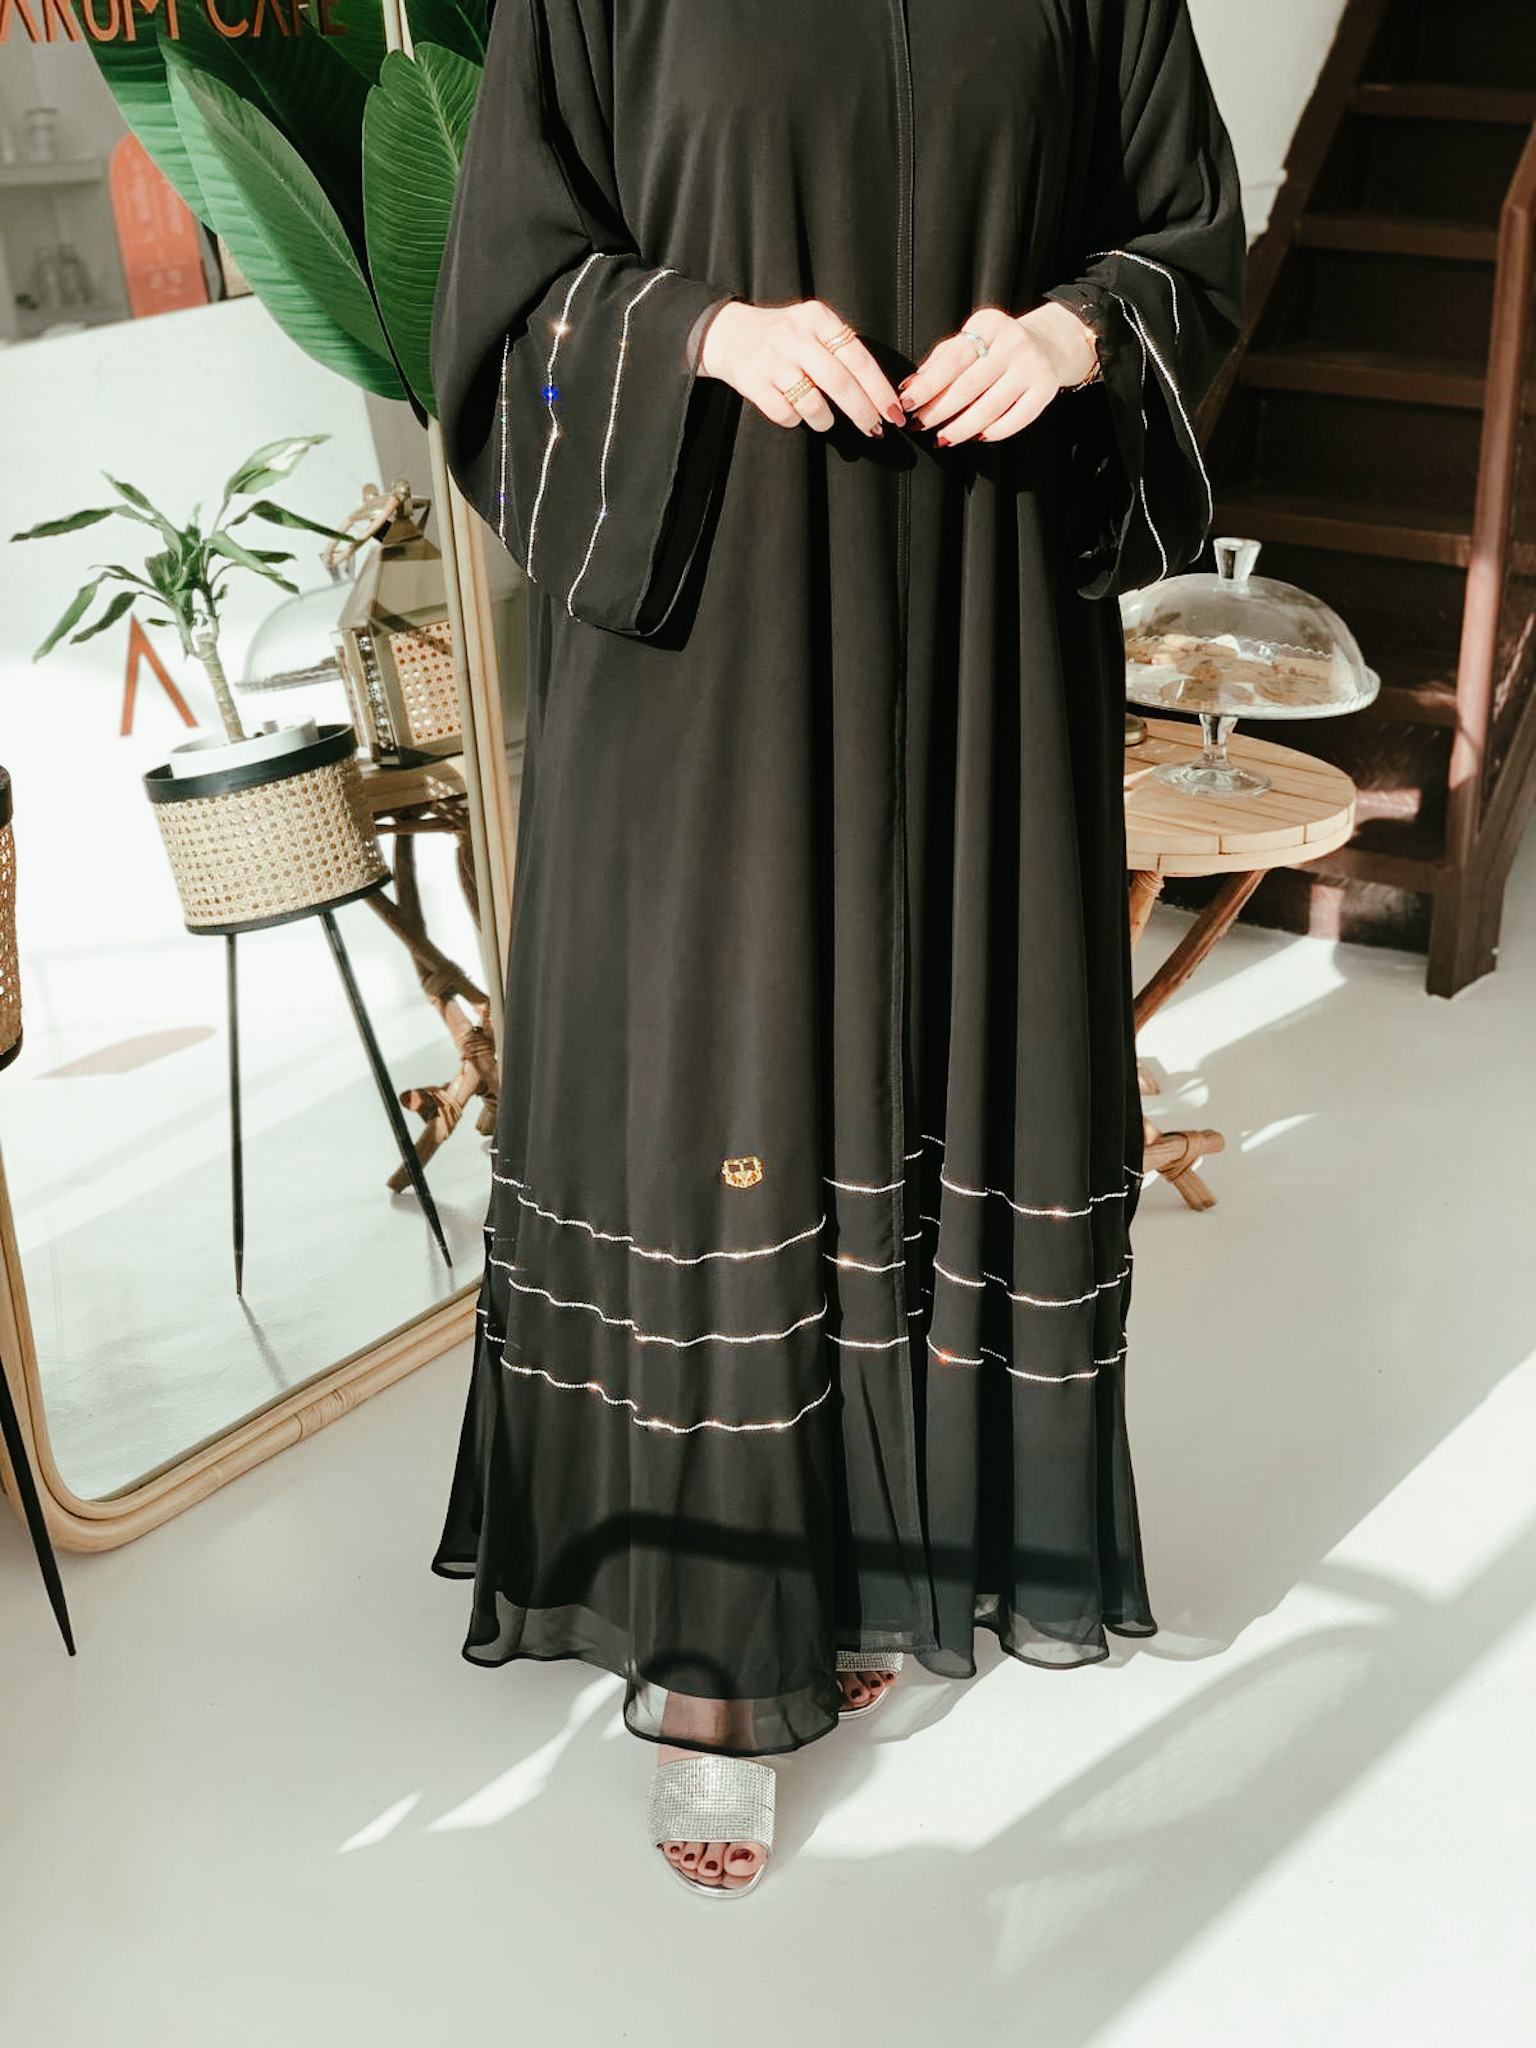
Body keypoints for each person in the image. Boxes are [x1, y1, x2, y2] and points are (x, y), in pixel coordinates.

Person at [430, 0, 1245, 1898]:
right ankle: (716, 1647)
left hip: (980, 615)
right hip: (712, 618)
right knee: (730, 1080)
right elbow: (504, 292)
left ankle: (880, 1547)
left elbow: (1190, 237)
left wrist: (1069, 334)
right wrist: (703, 331)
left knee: (936, 1054)